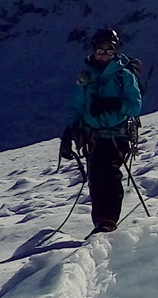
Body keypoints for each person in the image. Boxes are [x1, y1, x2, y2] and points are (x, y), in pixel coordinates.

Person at [60, 28, 142, 234]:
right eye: (100, 51)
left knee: (110, 176)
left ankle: (108, 221)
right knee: (96, 179)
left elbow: (136, 105)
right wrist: (68, 133)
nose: (104, 55)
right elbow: (77, 106)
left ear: (115, 52)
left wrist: (113, 105)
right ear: (94, 51)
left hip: (118, 135)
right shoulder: (86, 77)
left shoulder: (124, 76)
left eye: (109, 51)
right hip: (92, 136)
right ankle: (102, 222)